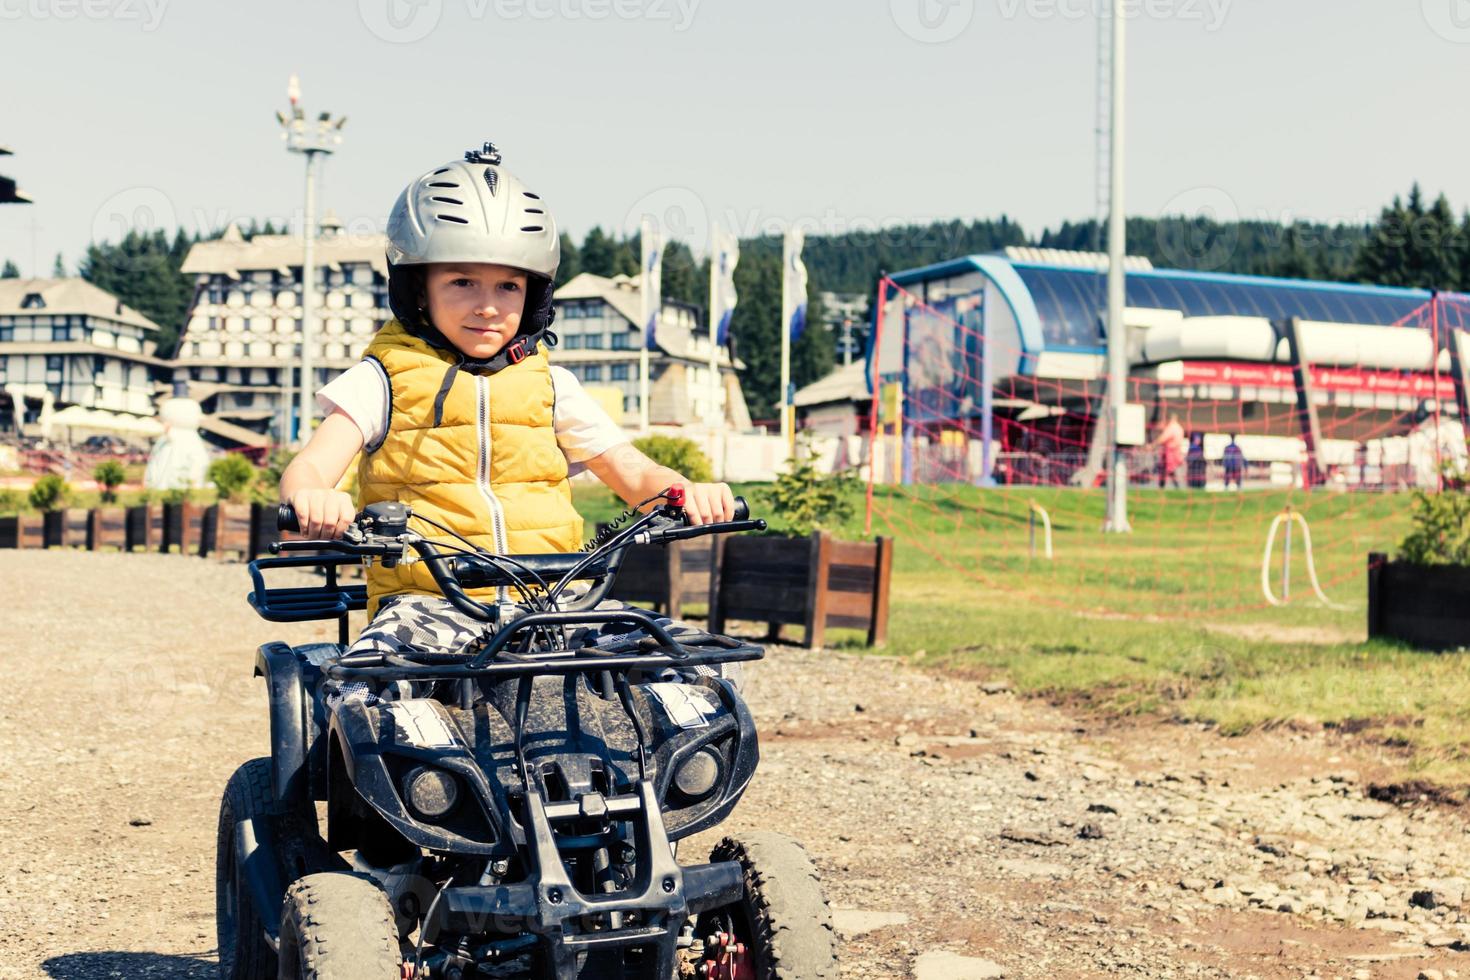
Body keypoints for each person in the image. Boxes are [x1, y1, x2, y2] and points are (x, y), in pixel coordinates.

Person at [279, 143, 736, 660]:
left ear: (533, 296)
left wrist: (684, 493)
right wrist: (314, 497)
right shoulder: (379, 380)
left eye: (509, 286)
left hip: (556, 600)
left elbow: (633, 472)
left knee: (686, 667)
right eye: (462, 282)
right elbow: (310, 467)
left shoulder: (553, 386)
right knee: (371, 685)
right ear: (418, 290)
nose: (490, 306)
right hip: (427, 606)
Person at [1153, 412, 1185, 489]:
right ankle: (1166, 487)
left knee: (1168, 469)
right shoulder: (1180, 428)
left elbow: (1162, 438)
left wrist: (1153, 445)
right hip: (1175, 451)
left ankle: (1166, 487)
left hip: (1170, 452)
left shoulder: (1172, 427)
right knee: (1168, 469)